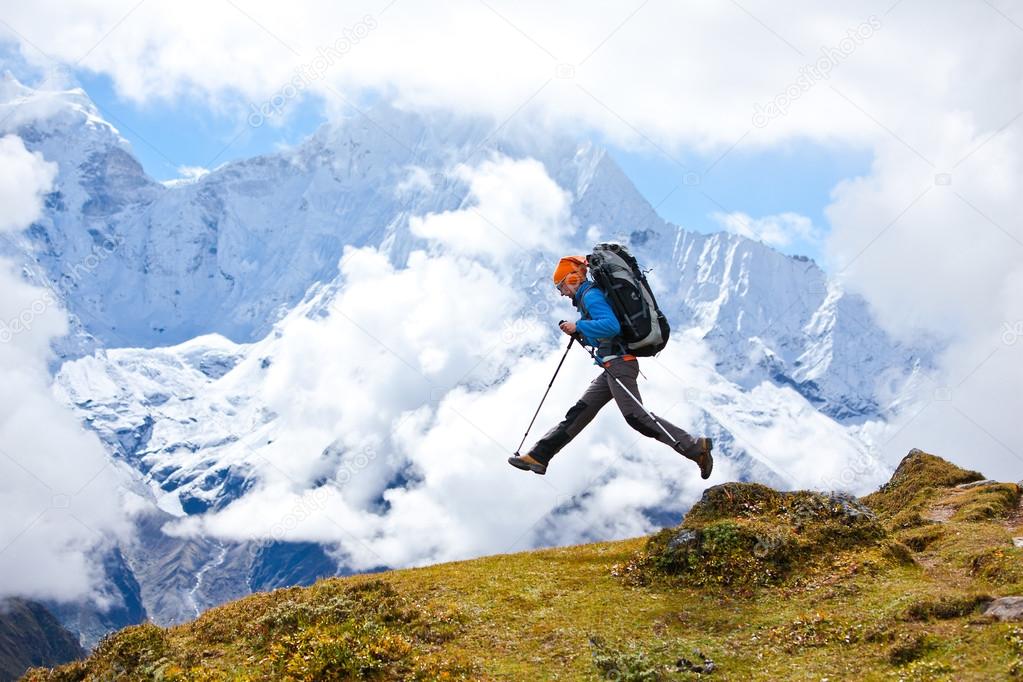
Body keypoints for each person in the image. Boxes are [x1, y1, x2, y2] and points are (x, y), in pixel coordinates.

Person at [508, 255, 714, 478]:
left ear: (572, 279)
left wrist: (578, 325)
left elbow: (610, 326)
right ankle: (539, 456)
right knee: (579, 413)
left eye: (561, 286)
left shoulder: (590, 296)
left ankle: (696, 448)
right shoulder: (589, 296)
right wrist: (580, 331)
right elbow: (604, 330)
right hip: (611, 366)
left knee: (636, 417)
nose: (561, 293)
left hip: (619, 365)